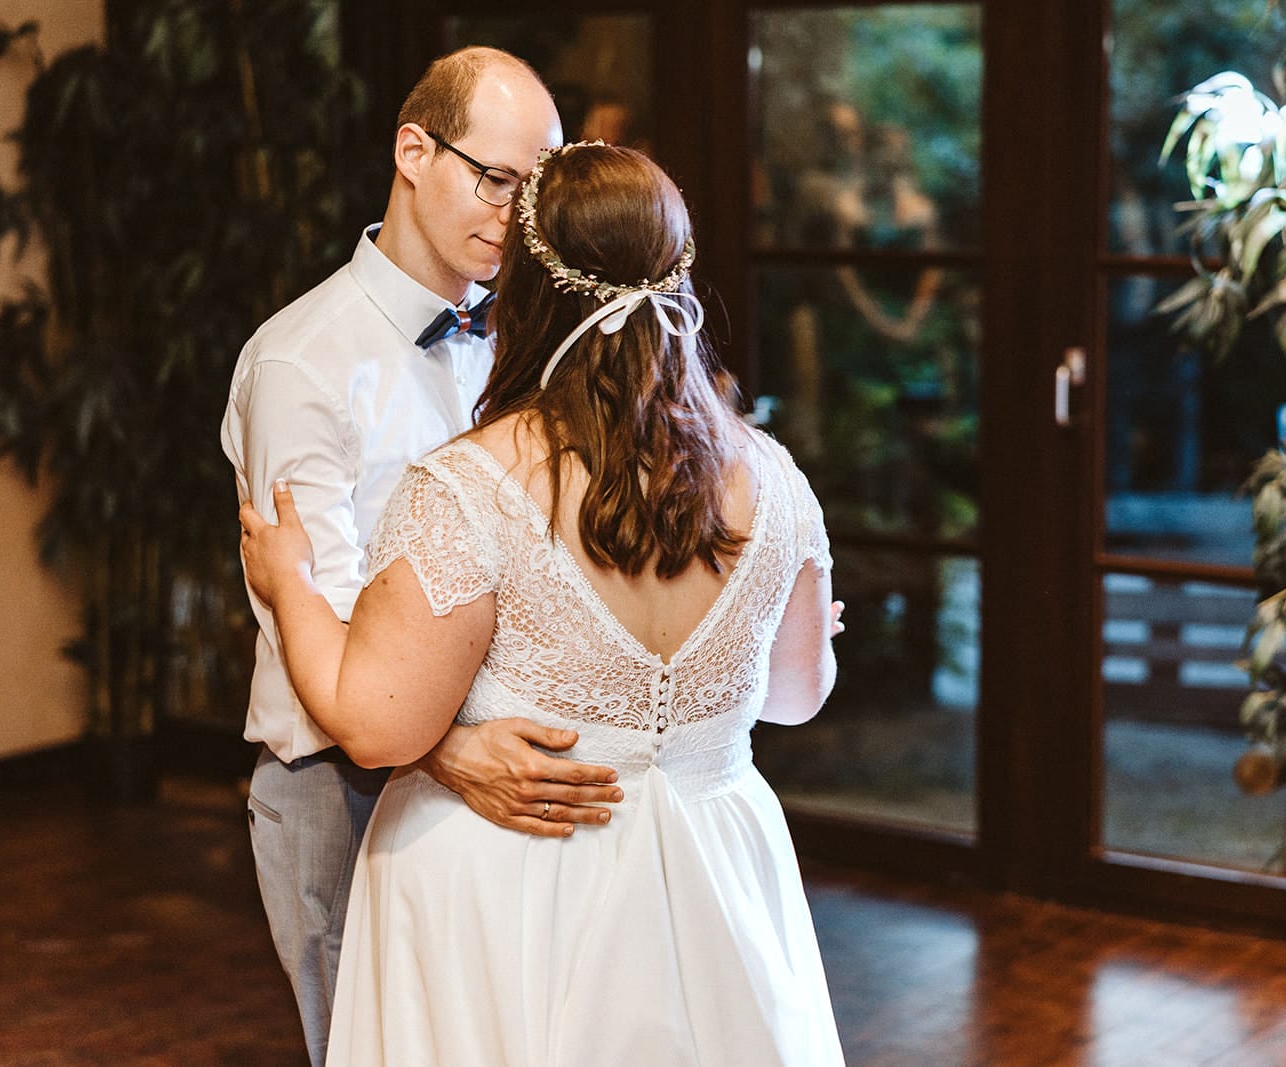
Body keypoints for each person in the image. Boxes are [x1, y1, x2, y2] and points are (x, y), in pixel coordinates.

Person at [240, 141, 846, 1065]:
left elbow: (375, 726)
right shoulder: (772, 478)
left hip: (518, 888)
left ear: (526, 294)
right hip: (718, 872)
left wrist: (289, 582)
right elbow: (796, 694)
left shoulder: (469, 487)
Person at [219, 48, 625, 1065]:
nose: (516, 219)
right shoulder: (301, 360)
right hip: (340, 782)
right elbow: (310, 598)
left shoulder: (529, 342)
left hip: (494, 773)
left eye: (535, 194)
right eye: (496, 180)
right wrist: (448, 748)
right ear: (413, 151)